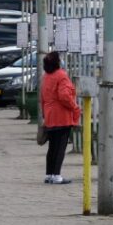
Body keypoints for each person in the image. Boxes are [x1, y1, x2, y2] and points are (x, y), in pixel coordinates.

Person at [39, 51, 80, 184]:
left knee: (52, 147)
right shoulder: (61, 76)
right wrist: (74, 107)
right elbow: (64, 96)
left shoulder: (46, 76)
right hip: (62, 116)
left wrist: (45, 113)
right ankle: (56, 175)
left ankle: (49, 174)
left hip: (50, 116)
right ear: (57, 62)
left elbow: (42, 97)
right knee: (60, 147)